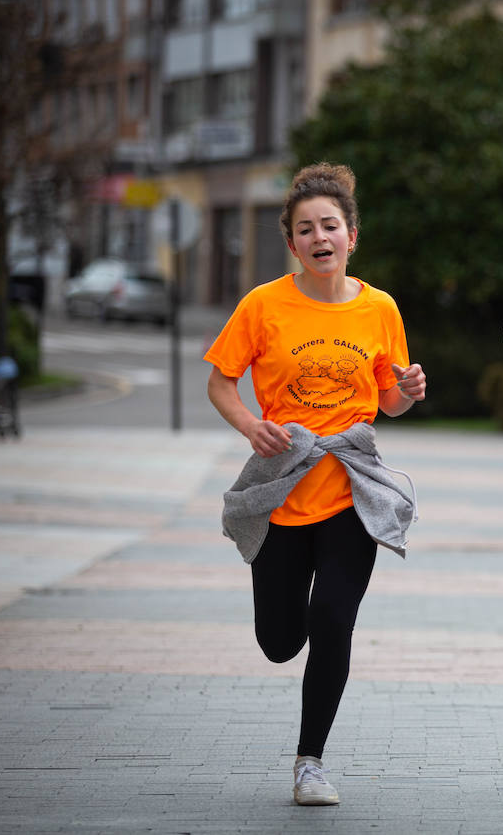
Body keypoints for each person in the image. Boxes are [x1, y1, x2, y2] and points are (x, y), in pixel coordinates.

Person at [204, 162, 426, 807]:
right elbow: (221, 380)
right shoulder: (264, 304)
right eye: (306, 228)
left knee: (333, 620)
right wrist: (251, 425)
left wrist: (406, 392)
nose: (320, 236)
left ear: (351, 235)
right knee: (279, 642)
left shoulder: (380, 306)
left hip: (351, 490)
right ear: (293, 241)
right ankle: (289, 626)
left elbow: (388, 399)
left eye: (331, 224)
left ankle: (310, 763)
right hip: (282, 489)